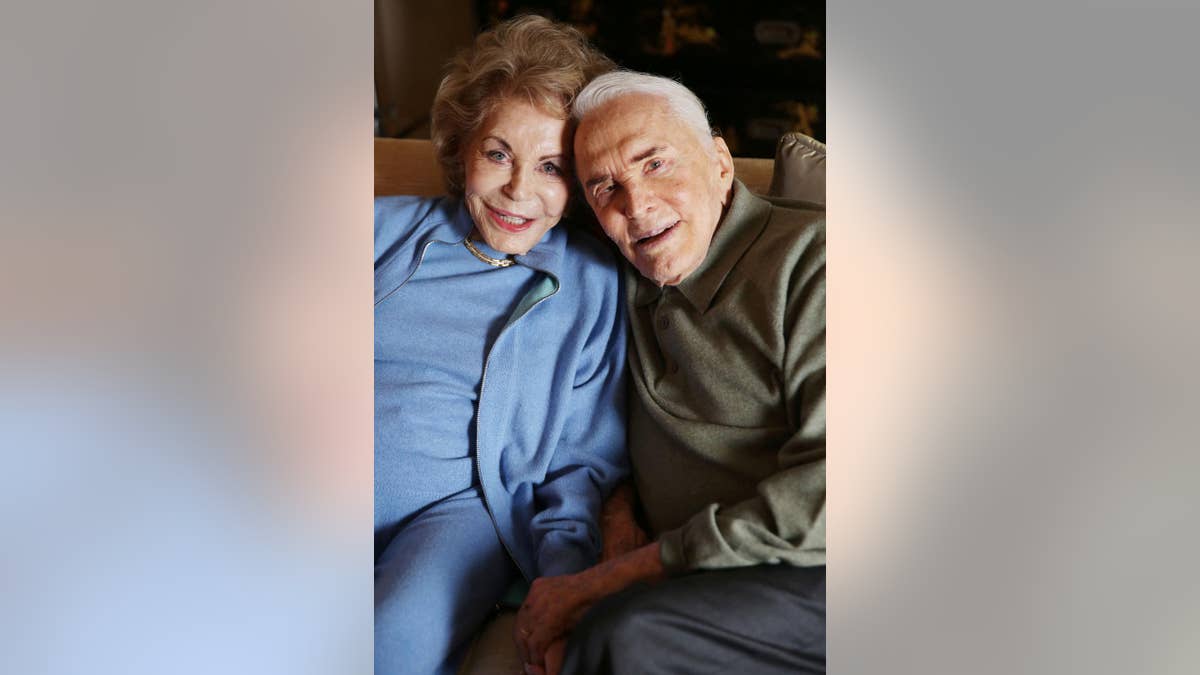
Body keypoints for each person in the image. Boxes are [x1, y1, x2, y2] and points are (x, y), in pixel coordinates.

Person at [514, 71, 827, 675]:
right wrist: (618, 519)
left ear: (720, 162)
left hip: (825, 568)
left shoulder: (815, 261)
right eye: (604, 186)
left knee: (630, 636)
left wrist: (624, 574)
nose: (636, 205)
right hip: (709, 577)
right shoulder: (615, 276)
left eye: (655, 164)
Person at [373, 16, 627, 675]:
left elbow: (582, 461)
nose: (518, 188)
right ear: (462, 150)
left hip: (456, 512)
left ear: (580, 183)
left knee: (391, 643)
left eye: (550, 166)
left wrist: (565, 580)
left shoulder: (591, 287)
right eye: (498, 153)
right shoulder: (382, 230)